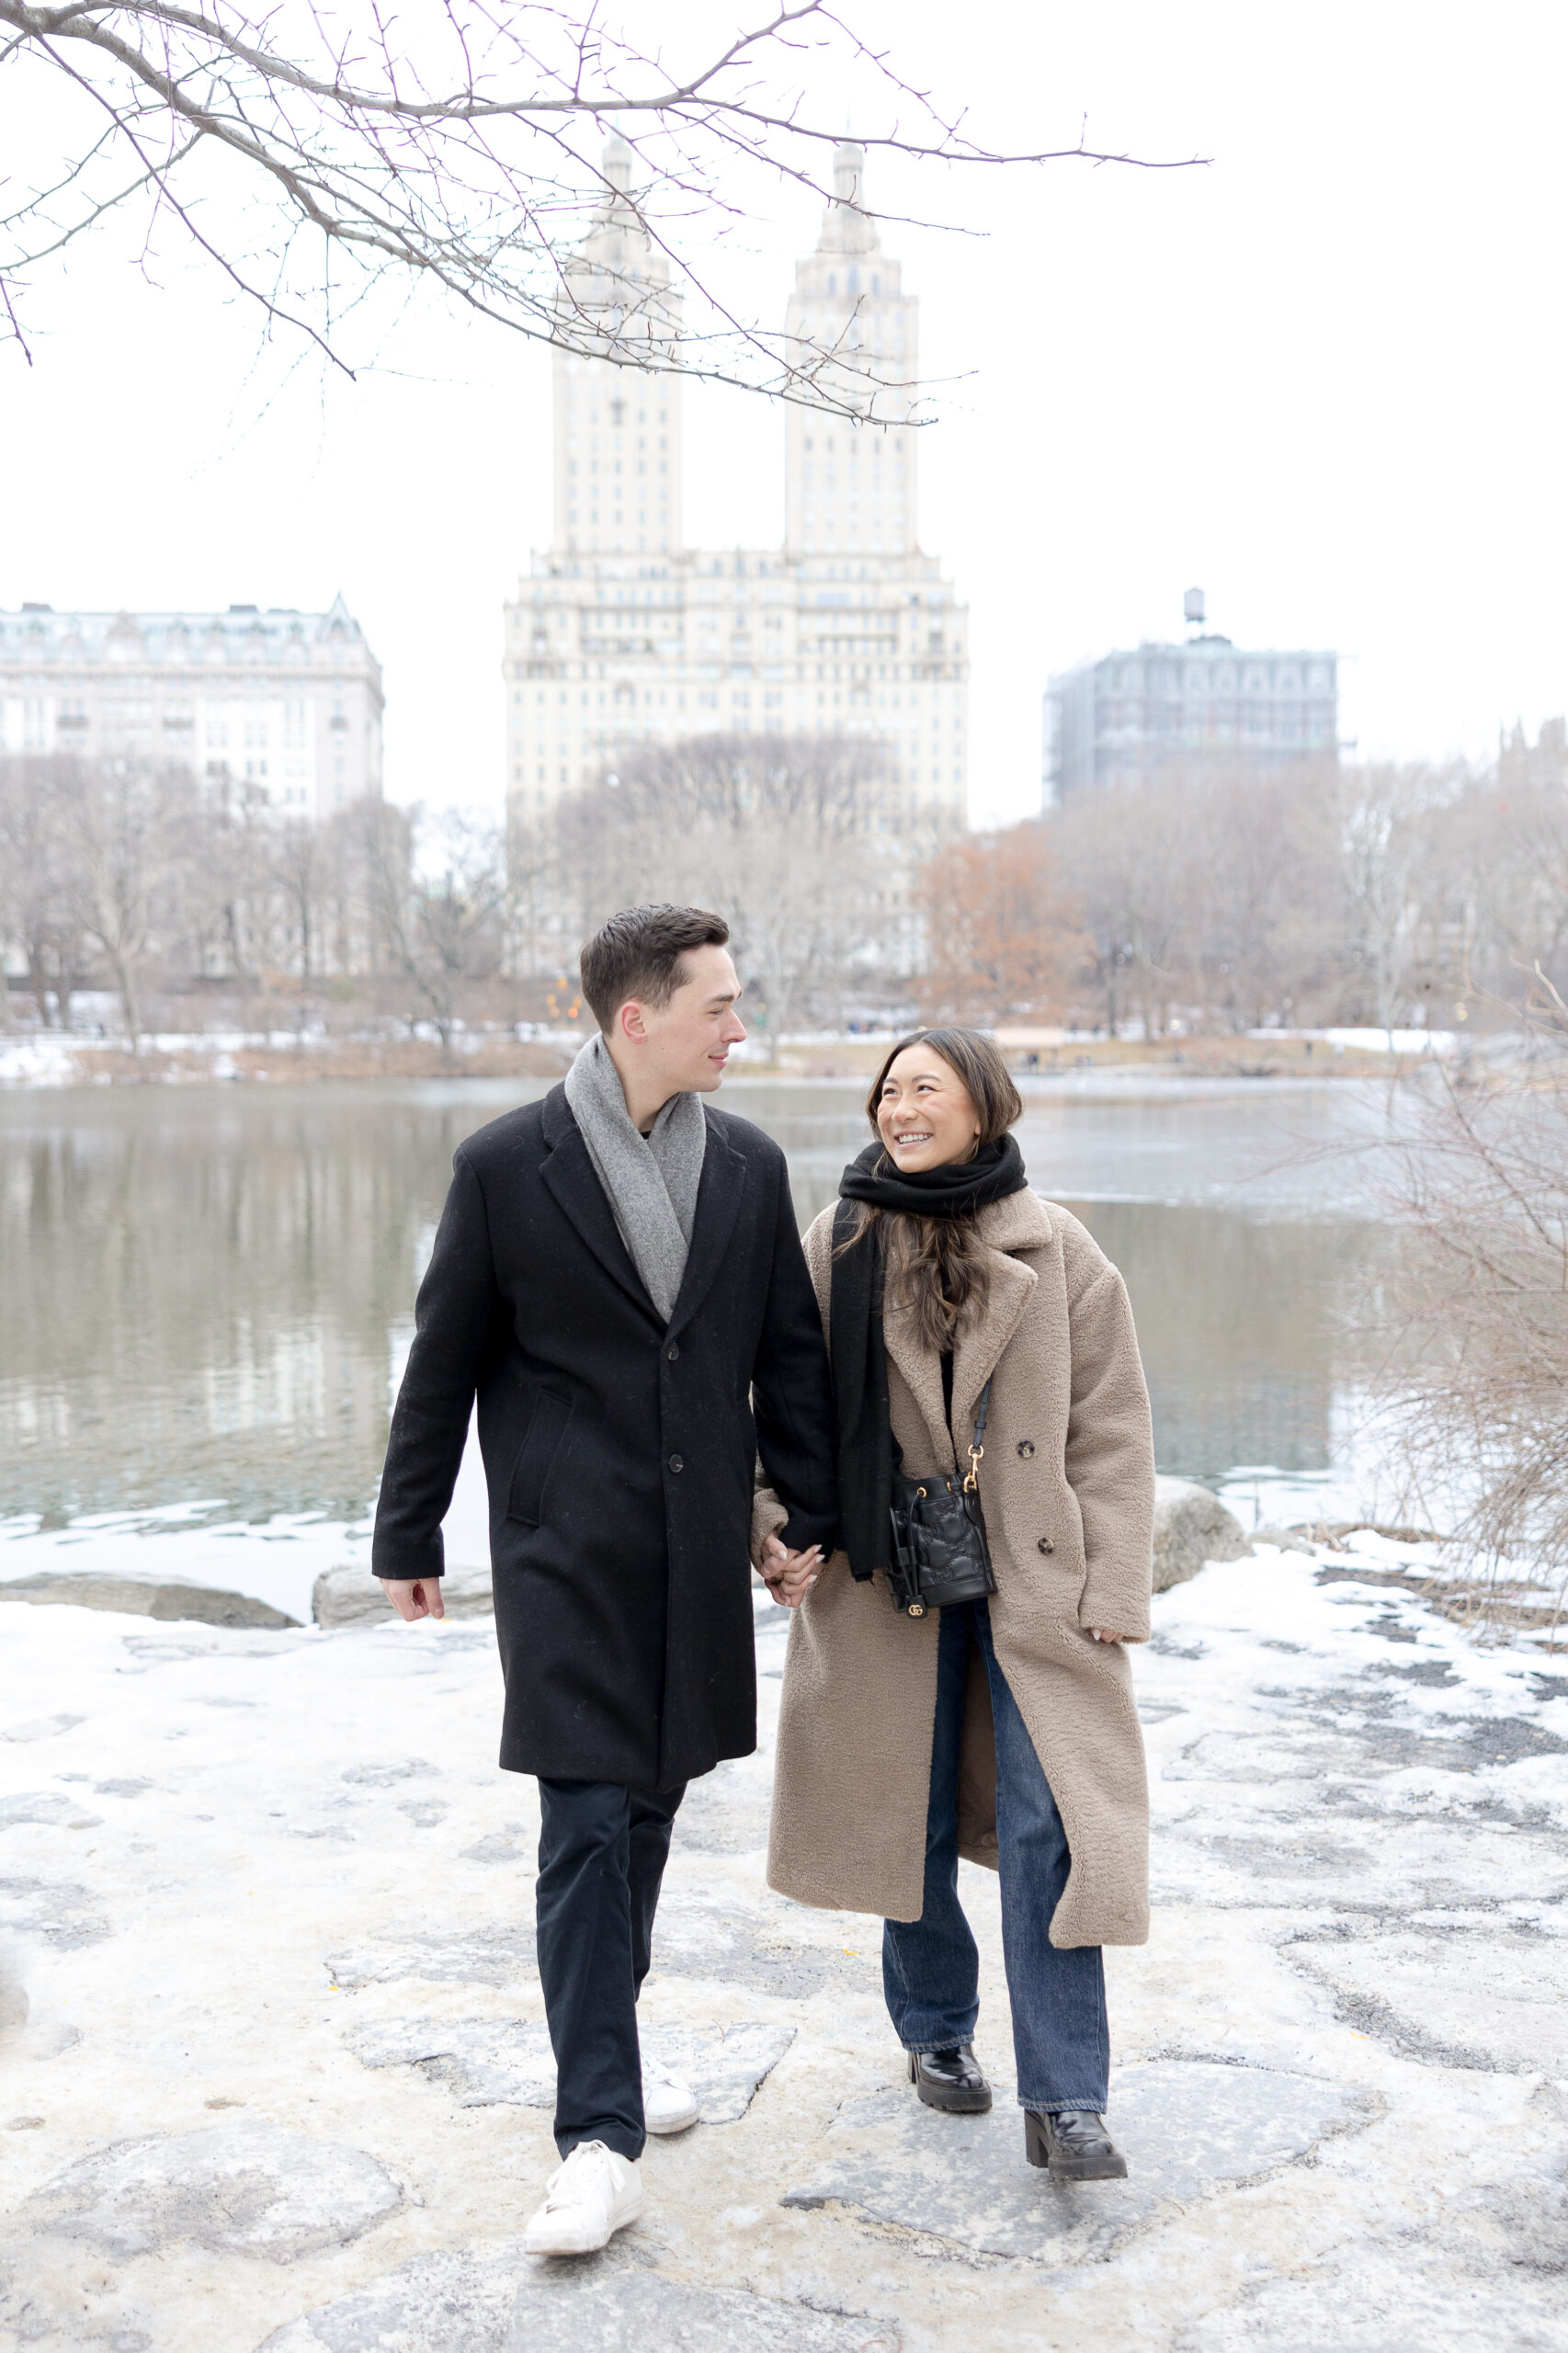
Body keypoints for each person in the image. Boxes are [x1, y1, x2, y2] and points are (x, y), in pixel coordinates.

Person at [372, 904, 835, 2256]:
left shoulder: (746, 1165)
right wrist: (409, 1531)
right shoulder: (503, 1166)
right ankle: (597, 2138)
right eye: (717, 1006)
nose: (738, 1027)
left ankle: (609, 2051)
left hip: (695, 1549)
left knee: (646, 1811)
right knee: (581, 1819)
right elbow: (443, 1358)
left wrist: (800, 1520)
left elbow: (784, 1359)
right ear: (637, 1018)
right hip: (561, 1550)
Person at [758, 1028, 1154, 2182]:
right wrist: (767, 1522)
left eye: (924, 1087)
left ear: (983, 1106)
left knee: (1049, 1826)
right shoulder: (837, 1240)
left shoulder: (1059, 1247)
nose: (899, 1107)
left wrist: (1114, 1582)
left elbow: (1111, 1427)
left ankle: (1066, 2097)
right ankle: (933, 2030)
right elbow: (775, 1400)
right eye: (887, 1090)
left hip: (1035, 1582)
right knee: (907, 1813)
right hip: (883, 1579)